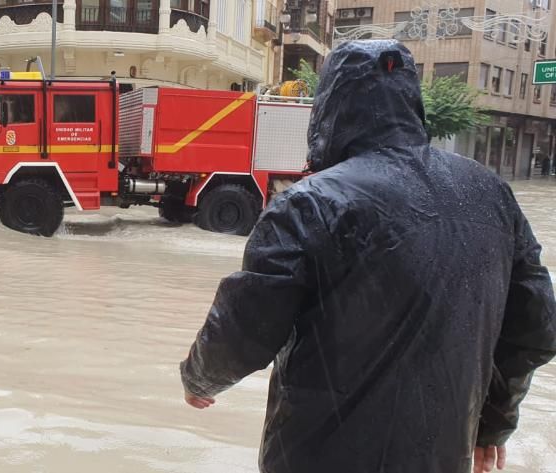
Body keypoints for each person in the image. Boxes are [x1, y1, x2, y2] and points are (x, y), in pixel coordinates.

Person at [179, 40, 556, 473]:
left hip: (315, 457)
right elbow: (536, 327)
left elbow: (247, 325)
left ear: (330, 108)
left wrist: (200, 378)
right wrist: (493, 420)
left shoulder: (309, 204)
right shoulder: (492, 195)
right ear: (411, 103)